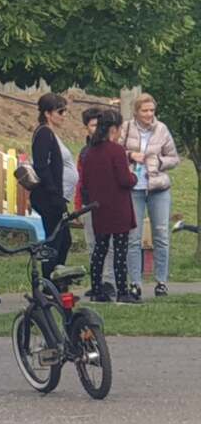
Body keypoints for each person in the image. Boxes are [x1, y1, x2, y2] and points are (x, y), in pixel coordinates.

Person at [120, 93, 179, 297]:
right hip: (134, 188)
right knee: (133, 237)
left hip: (158, 187)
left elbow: (174, 158)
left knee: (161, 234)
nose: (148, 114)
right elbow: (115, 152)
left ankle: (161, 281)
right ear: (136, 111)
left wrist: (158, 162)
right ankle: (135, 282)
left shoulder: (161, 129)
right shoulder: (126, 128)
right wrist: (130, 155)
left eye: (152, 110)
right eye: (144, 110)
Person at [81, 109, 138, 303]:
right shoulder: (116, 150)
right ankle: (122, 291)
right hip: (118, 206)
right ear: (114, 129)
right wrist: (134, 177)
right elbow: (125, 179)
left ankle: (97, 289)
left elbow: (85, 181)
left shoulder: (90, 152)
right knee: (120, 250)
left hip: (99, 207)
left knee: (100, 249)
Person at [30, 93, 76, 279]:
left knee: (64, 240)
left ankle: (56, 278)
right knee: (56, 241)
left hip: (56, 196)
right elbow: (41, 165)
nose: (64, 115)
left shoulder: (50, 133)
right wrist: (54, 193)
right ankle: (49, 280)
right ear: (47, 114)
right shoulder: (44, 133)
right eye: (60, 112)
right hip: (49, 198)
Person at [77, 106, 114, 297]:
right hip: (89, 202)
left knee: (108, 244)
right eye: (93, 125)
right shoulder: (84, 152)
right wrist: (78, 205)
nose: (97, 129)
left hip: (108, 203)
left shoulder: (111, 149)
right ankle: (96, 281)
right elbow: (80, 180)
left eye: (99, 125)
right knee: (92, 243)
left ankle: (109, 280)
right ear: (86, 128)